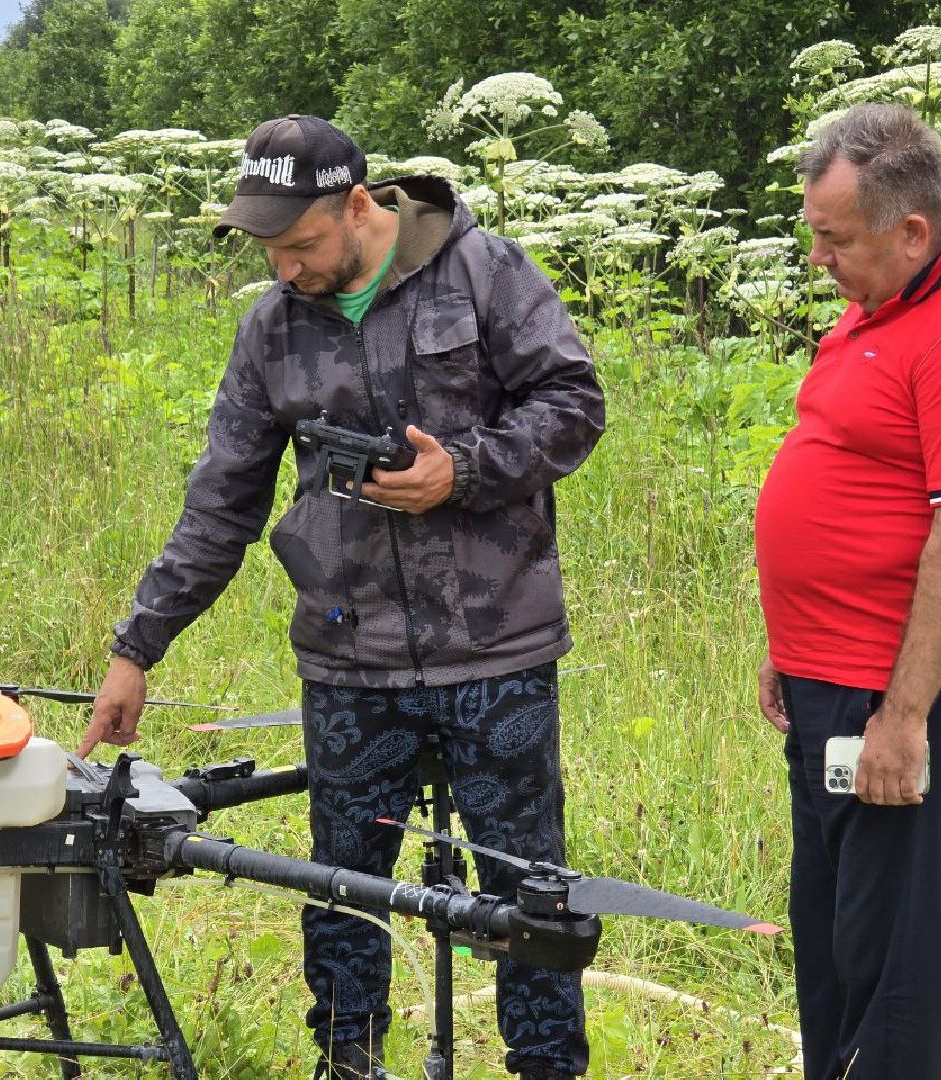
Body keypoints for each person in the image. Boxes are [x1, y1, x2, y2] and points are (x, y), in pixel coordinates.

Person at [76, 114, 603, 1080]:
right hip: (349, 662)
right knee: (343, 888)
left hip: (500, 656)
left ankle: (546, 1067)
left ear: (360, 206)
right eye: (270, 250)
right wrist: (136, 648)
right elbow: (219, 506)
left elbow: (573, 403)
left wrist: (467, 472)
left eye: (304, 244)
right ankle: (349, 1062)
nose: (286, 268)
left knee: (530, 895)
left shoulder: (484, 271)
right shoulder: (269, 329)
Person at [754, 103, 941, 1078]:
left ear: (912, 230)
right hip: (829, 678)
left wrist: (903, 716)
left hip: (901, 696)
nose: (818, 259)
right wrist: (792, 643)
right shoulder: (885, 298)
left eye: (833, 239)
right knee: (836, 935)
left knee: (889, 966)